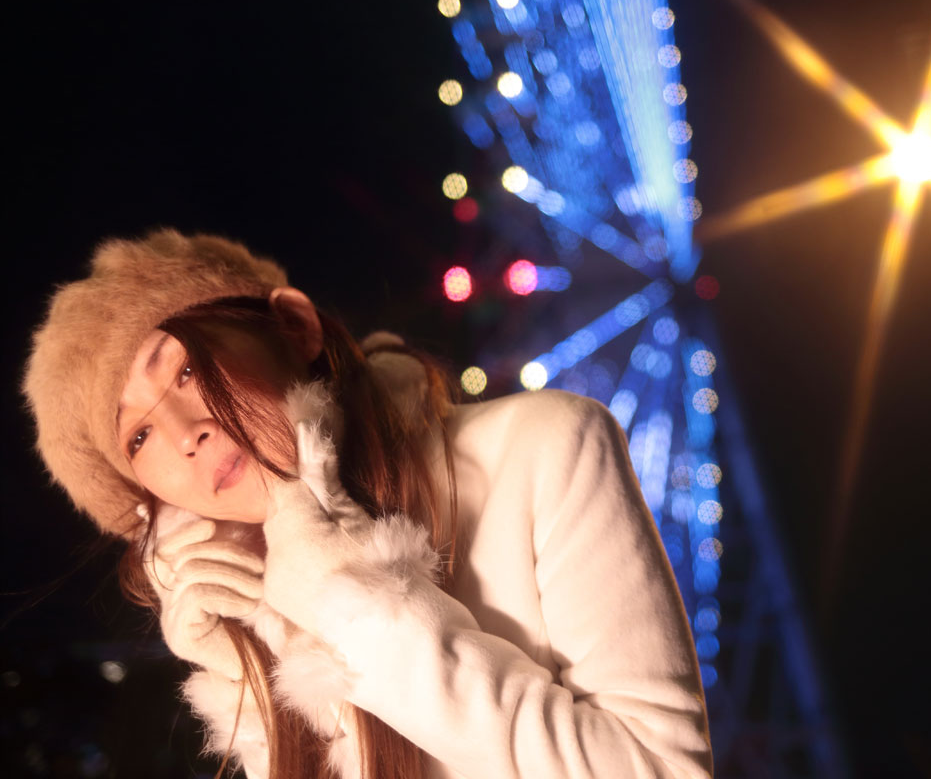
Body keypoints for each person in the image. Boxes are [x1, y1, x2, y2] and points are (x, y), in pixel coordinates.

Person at [23, 230, 713, 779]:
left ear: (295, 329)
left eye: (185, 369)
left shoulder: (547, 445)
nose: (184, 434)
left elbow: (660, 768)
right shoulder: (257, 607)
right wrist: (252, 687)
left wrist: (354, 604)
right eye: (138, 437)